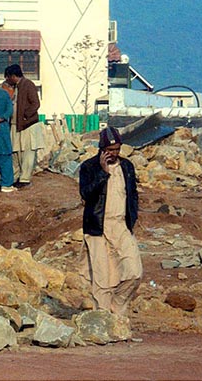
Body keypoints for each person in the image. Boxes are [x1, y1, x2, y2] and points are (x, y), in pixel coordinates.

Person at [78, 126, 142, 316]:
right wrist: (103, 172)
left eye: (117, 150)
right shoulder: (89, 167)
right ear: (102, 148)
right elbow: (86, 194)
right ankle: (104, 319)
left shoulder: (127, 167)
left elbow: (133, 195)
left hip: (121, 225)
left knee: (134, 272)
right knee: (102, 279)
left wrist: (133, 218)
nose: (114, 154)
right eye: (110, 150)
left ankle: (117, 306)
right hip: (97, 227)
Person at [4, 64, 44, 188]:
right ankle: (17, 177)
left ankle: (25, 178)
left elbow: (36, 103)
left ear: (13, 76)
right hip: (17, 125)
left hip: (28, 125)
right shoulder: (16, 87)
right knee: (17, 152)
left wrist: (25, 115)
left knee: (28, 152)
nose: (7, 80)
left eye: (8, 77)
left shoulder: (28, 85)